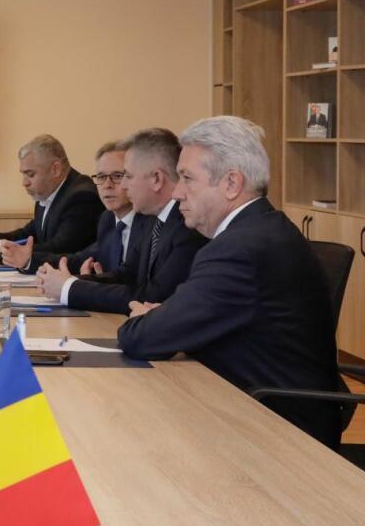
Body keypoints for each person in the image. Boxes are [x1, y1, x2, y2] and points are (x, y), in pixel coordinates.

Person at [116, 116, 344, 448]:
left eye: (187, 178)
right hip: (266, 409)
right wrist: (165, 318)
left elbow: (141, 338)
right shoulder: (262, 229)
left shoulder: (239, 250)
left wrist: (147, 320)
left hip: (282, 435)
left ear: (231, 183)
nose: (177, 192)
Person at [36, 128, 206, 315]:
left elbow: (151, 296)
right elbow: (127, 275)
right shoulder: (153, 220)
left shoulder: (188, 226)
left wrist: (70, 288)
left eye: (128, 176)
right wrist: (69, 282)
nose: (124, 185)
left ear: (157, 179)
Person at [0, 134, 103, 271]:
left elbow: (60, 249)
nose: (24, 183)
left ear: (56, 169)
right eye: (23, 174)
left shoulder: (82, 197)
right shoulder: (48, 191)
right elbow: (29, 234)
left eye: (30, 174)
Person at [27, 139, 143, 276]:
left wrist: (85, 283)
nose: (107, 185)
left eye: (117, 176)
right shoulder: (108, 219)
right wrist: (28, 261)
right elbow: (80, 260)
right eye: (101, 177)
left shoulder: (149, 226)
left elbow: (136, 284)